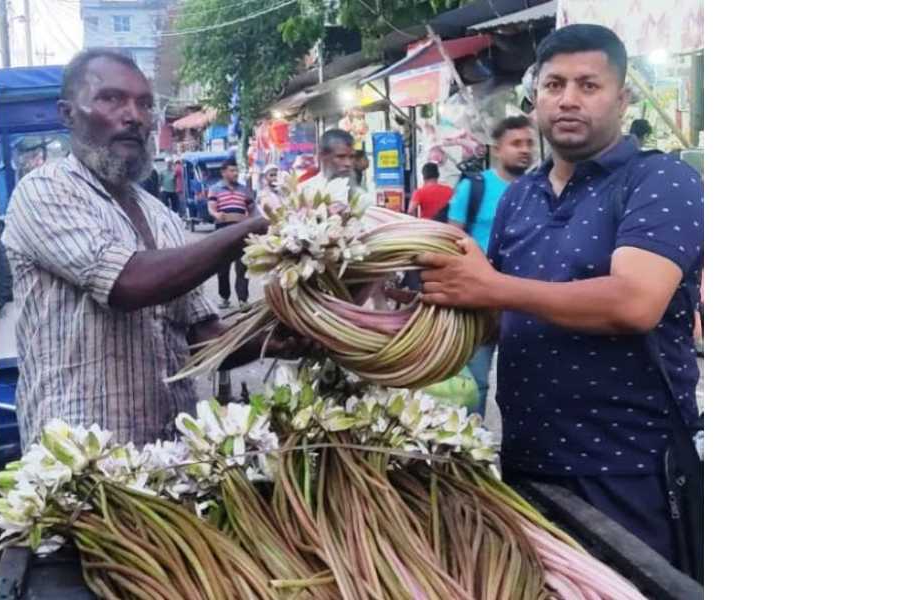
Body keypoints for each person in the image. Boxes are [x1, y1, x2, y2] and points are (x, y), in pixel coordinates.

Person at [415, 24, 703, 568]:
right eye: (554, 85)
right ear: (536, 98)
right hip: (527, 461)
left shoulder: (659, 181)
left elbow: (634, 302)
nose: (568, 99)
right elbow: (500, 318)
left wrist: (491, 287)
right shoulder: (519, 197)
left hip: (629, 469)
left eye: (589, 86)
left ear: (623, 98)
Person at [1, 49, 295, 447]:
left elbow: (202, 340)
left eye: (144, 104)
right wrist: (253, 228)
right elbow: (127, 283)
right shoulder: (44, 191)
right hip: (81, 469)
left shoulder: (160, 215)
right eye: (111, 99)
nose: (133, 116)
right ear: (67, 113)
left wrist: (280, 336)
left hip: (171, 459)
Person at [446, 115, 536, 416]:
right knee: (477, 381)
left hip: (525, 299)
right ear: (497, 149)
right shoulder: (475, 187)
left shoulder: (541, 190)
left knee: (527, 382)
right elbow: (451, 238)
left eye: (529, 143)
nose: (524, 150)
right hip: (479, 301)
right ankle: (472, 445)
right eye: (516, 143)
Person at [207, 158, 254, 309]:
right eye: (232, 170)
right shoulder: (215, 189)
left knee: (242, 267)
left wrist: (251, 221)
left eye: (237, 170)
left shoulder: (244, 190)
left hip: (241, 233)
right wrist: (216, 215)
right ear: (223, 172)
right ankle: (224, 297)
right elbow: (211, 207)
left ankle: (243, 299)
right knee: (222, 267)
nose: (236, 173)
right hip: (223, 233)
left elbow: (252, 209)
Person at [300, 129, 359, 200]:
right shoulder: (304, 193)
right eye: (340, 156)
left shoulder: (363, 199)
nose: (348, 163)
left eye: (352, 157)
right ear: (322, 156)